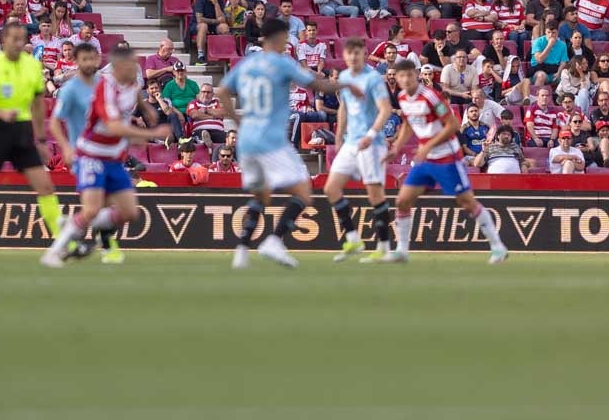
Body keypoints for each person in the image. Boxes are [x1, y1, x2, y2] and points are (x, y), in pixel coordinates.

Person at [217, 18, 357, 269]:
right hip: (270, 139)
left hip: (247, 140)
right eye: (286, 36)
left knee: (261, 195)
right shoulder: (282, 62)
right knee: (303, 192)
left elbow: (223, 91)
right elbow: (318, 84)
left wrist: (237, 121)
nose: (288, 41)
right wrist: (348, 83)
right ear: (279, 37)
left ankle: (242, 250)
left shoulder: (247, 63)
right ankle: (274, 241)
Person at [42, 46, 169, 268]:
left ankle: (76, 225)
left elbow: (133, 95)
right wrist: (150, 134)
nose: (136, 69)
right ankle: (60, 250)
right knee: (94, 208)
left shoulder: (127, 84)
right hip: (90, 153)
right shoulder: (98, 89)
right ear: (118, 67)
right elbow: (113, 126)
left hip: (114, 156)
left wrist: (145, 107)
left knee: (128, 212)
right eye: (131, 65)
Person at [385, 59, 509, 264]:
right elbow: (408, 123)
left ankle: (498, 247)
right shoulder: (402, 97)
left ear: (416, 75)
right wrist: (396, 148)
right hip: (425, 159)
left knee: (466, 202)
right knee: (402, 201)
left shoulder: (431, 96)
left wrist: (427, 146)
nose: (406, 79)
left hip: (447, 157)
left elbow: (452, 126)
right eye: (401, 76)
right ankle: (402, 251)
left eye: (409, 75)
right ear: (396, 79)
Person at [0, 21, 62, 261]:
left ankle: (63, 243)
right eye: (14, 39)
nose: (18, 43)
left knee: (45, 187)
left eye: (22, 39)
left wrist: (40, 138)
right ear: (3, 41)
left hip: (23, 131)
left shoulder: (32, 65)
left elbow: (38, 104)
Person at [324, 38, 394, 262]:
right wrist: (338, 137)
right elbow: (344, 107)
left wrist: (370, 135)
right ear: (344, 55)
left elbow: (386, 110)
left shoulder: (373, 79)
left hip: (372, 144)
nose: (353, 57)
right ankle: (353, 239)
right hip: (351, 142)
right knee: (331, 188)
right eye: (349, 53)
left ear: (364, 53)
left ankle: (384, 248)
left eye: (357, 52)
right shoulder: (344, 77)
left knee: (374, 194)